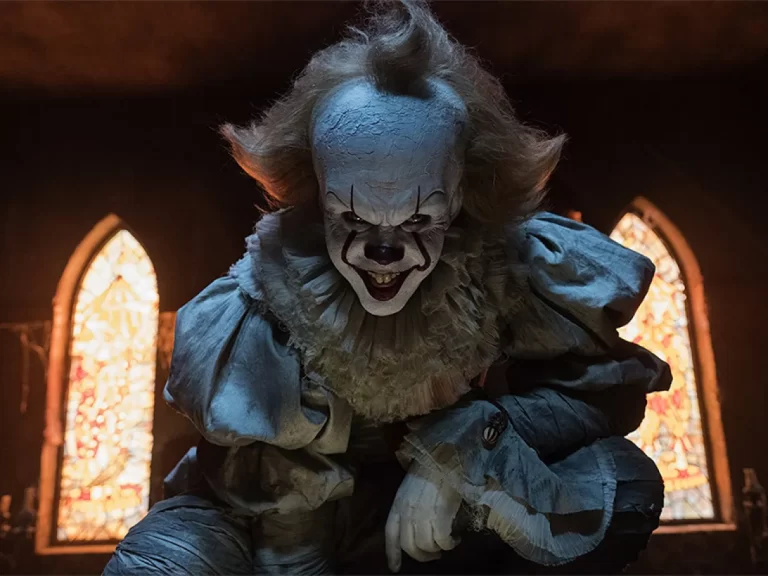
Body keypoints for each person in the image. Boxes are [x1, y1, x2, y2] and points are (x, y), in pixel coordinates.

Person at [104, 1, 670, 573]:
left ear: (459, 196)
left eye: (419, 220)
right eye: (351, 219)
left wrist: (461, 451)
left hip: (420, 516)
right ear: (318, 195)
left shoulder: (508, 265)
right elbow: (280, 506)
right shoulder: (272, 293)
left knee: (623, 483)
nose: (383, 253)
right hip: (259, 520)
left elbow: (600, 394)